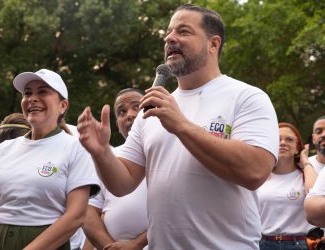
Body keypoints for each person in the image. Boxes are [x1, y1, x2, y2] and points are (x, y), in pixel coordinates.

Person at [77, 4, 279, 249]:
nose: (170, 38)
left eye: (183, 31)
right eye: (168, 33)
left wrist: (181, 125)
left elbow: (255, 172)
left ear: (213, 44)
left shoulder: (247, 97)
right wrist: (101, 153)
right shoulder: (150, 110)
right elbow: (123, 184)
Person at [0, 69, 100, 250]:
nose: (32, 98)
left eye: (43, 92)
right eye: (27, 93)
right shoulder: (4, 150)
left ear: (63, 105)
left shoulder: (76, 148)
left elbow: (76, 215)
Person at [83, 88, 148, 250]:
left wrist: (137, 245)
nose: (130, 115)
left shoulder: (167, 150)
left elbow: (178, 208)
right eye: (121, 112)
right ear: (117, 124)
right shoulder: (107, 157)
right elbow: (89, 211)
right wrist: (109, 246)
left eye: (136, 107)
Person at [257, 122, 318, 250]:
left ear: (297, 148)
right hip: (262, 243)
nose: (283, 142)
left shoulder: (305, 176)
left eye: (289, 139)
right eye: (278, 139)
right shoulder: (259, 176)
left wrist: (305, 161)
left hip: (298, 244)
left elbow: (316, 195)